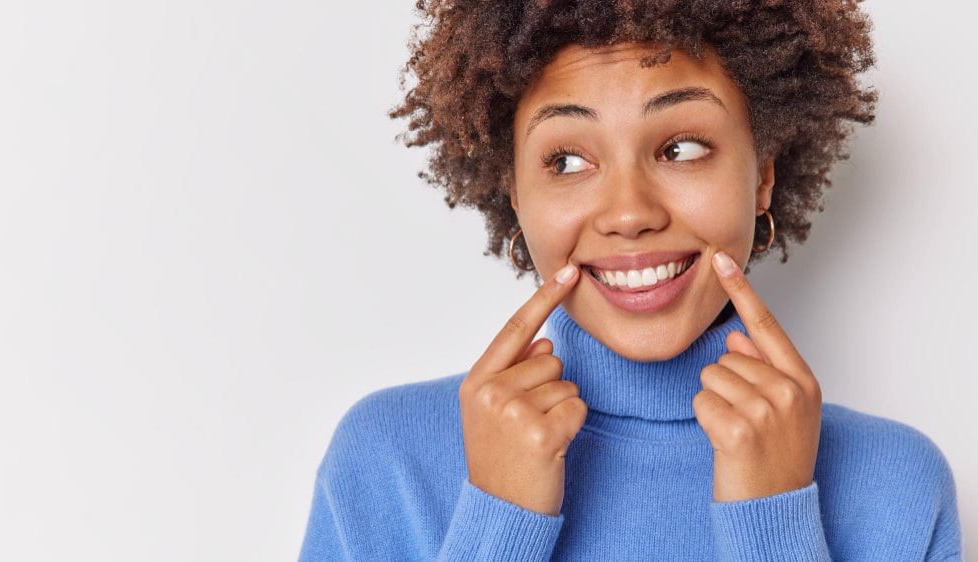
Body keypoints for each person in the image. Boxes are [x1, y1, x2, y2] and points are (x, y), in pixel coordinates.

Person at [299, 0, 962, 559]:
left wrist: (775, 526)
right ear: (515, 194)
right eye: (565, 160)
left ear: (762, 175)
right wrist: (497, 524)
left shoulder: (894, 485)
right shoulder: (387, 459)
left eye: (681, 149)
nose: (629, 213)